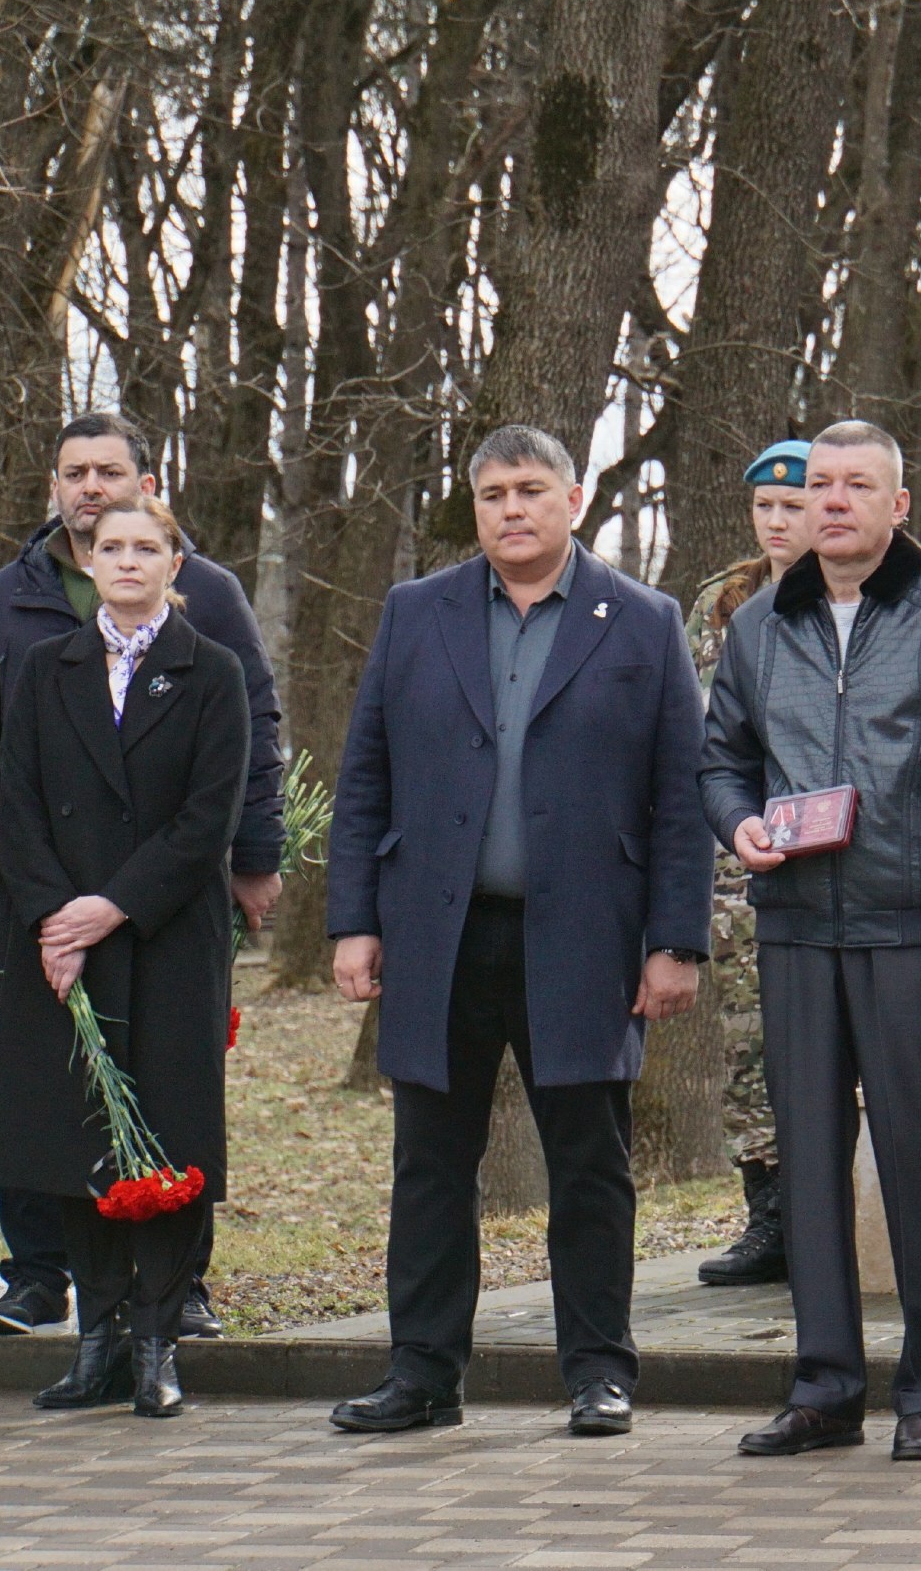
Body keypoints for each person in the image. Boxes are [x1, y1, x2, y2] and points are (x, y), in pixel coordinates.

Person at [324, 425, 712, 1439]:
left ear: (574, 501)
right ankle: (421, 1373)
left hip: (584, 936)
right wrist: (353, 923)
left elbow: (680, 795)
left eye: (530, 490)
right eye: (492, 493)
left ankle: (597, 1371)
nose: (510, 510)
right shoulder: (418, 613)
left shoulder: (640, 621)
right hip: (438, 935)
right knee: (428, 1163)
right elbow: (365, 775)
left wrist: (675, 939)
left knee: (588, 1163)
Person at [700, 418, 921, 1462]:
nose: (830, 502)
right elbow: (721, 759)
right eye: (817, 486)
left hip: (908, 928)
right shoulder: (759, 625)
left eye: (855, 486)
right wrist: (738, 820)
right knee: (806, 1166)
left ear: (900, 507)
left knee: (918, 1162)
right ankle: (825, 1386)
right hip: (797, 927)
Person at [0, 411, 285, 1342]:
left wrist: (254, 857)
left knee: (170, 1090)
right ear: (55, 490)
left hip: (162, 901)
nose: (90, 487)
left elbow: (250, 734)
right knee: (49, 1089)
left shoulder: (208, 599)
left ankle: (179, 1289)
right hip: (40, 887)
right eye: (73, 473)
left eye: (108, 471)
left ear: (147, 486)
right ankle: (40, 1277)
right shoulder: (10, 597)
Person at [0, 495, 249, 1419]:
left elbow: (207, 818)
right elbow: (17, 799)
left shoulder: (210, 671)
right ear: (88, 561)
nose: (128, 561)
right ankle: (93, 1340)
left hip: (166, 937)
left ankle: (155, 1342)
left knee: (167, 1134)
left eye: (148, 549)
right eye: (111, 548)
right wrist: (56, 918)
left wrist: (110, 907)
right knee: (77, 1133)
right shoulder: (47, 672)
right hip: (60, 944)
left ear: (176, 566)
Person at [694, 438, 812, 1290]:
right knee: (747, 1047)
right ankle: (766, 1216)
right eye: (766, 508)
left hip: (830, 850)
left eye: (795, 505)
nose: (778, 521)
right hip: (737, 865)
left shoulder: (853, 599)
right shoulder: (724, 604)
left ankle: (825, 1210)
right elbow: (700, 735)